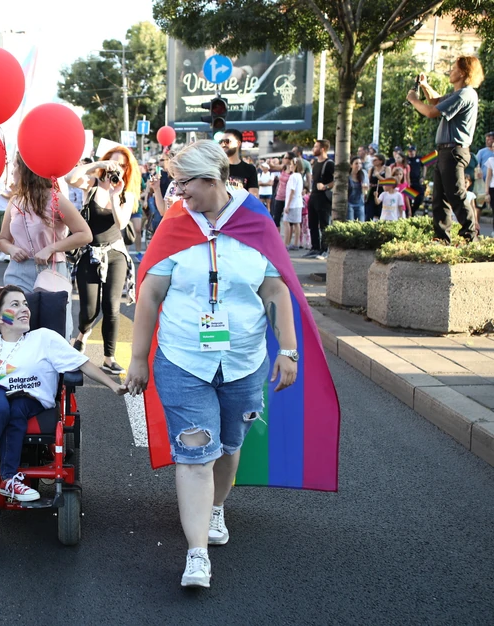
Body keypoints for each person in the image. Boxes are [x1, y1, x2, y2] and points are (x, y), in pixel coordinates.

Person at [125, 140, 298, 589]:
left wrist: (288, 348)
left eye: (184, 183)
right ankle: (197, 553)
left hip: (243, 361)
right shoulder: (175, 223)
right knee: (196, 455)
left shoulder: (256, 220)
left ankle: (216, 507)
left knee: (229, 445)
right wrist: (138, 358)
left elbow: (275, 290)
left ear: (211, 179)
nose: (178, 192)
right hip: (183, 360)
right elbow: (150, 293)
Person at [0, 285, 126, 503]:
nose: (24, 309)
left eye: (25, 304)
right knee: (1, 407)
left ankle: (7, 480)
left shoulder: (44, 339)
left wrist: (113, 385)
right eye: (15, 305)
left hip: (31, 399)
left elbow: (82, 363)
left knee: (16, 408)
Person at [0, 152, 92, 340]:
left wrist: (51, 248)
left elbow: (85, 234)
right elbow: (2, 240)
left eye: (15, 166)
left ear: (27, 170)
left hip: (51, 271)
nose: (12, 171)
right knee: (13, 330)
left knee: (55, 331)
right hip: (17, 272)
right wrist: (12, 249)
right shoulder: (15, 201)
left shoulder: (56, 199)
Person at [65, 145, 141, 374]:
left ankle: (109, 358)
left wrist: (115, 196)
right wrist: (98, 165)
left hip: (115, 254)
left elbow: (121, 223)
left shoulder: (126, 193)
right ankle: (83, 333)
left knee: (111, 306)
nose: (117, 169)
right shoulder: (92, 184)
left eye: (122, 165)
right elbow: (70, 178)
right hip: (89, 253)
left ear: (128, 169)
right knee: (89, 310)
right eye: (114, 163)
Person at [407, 55, 484, 243]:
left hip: (454, 151)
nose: (450, 71)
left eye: (454, 68)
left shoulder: (465, 94)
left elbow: (431, 112)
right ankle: (441, 239)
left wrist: (414, 100)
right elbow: (436, 101)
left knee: (456, 195)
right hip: (446, 151)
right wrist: (424, 85)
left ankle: (470, 237)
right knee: (439, 198)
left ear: (463, 72)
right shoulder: (459, 93)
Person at [305, 139, 334, 259]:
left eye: (316, 147)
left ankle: (324, 249)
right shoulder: (316, 163)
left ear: (322, 149)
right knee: (312, 223)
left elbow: (336, 180)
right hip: (314, 196)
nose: (313, 149)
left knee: (324, 224)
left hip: (323, 197)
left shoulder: (329, 163)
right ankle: (315, 247)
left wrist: (325, 186)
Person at [220, 130, 258, 196]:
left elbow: (254, 195)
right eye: (221, 142)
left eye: (227, 141)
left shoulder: (250, 169)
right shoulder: (216, 167)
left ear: (238, 144)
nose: (223, 144)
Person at [283, 156, 305, 248]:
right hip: (298, 203)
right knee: (296, 223)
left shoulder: (293, 177)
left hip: (292, 203)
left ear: (296, 166)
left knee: (286, 222)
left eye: (292, 164)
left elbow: (292, 191)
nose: (290, 166)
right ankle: (296, 243)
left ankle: (286, 243)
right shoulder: (299, 176)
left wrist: (287, 205)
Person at [271, 153, 293, 228]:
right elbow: (272, 167)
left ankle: (289, 235)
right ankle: (277, 235)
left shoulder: (293, 172)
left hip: (288, 197)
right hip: (279, 196)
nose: (283, 159)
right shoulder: (283, 167)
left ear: (290, 160)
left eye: (285, 157)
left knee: (289, 221)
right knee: (276, 219)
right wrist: (270, 161)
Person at [366, 154, 389, 221]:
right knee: (369, 212)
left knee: (380, 212)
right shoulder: (371, 169)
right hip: (372, 192)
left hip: (382, 191)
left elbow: (388, 182)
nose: (373, 161)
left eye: (375, 160)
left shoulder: (386, 169)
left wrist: (378, 176)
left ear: (381, 161)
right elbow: (368, 181)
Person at [406, 145, 425, 216]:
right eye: (410, 151)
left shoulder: (419, 158)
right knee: (408, 199)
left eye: (412, 151)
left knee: (420, 197)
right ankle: (409, 213)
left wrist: (423, 176)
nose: (411, 153)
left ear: (415, 151)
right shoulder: (406, 159)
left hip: (417, 181)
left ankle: (413, 211)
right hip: (408, 182)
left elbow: (425, 165)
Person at [347, 157, 368, 221]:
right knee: (350, 223)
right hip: (349, 203)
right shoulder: (347, 177)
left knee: (361, 223)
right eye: (356, 163)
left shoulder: (363, 174)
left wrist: (365, 189)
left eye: (360, 163)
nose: (358, 165)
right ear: (351, 165)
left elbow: (365, 192)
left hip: (360, 203)